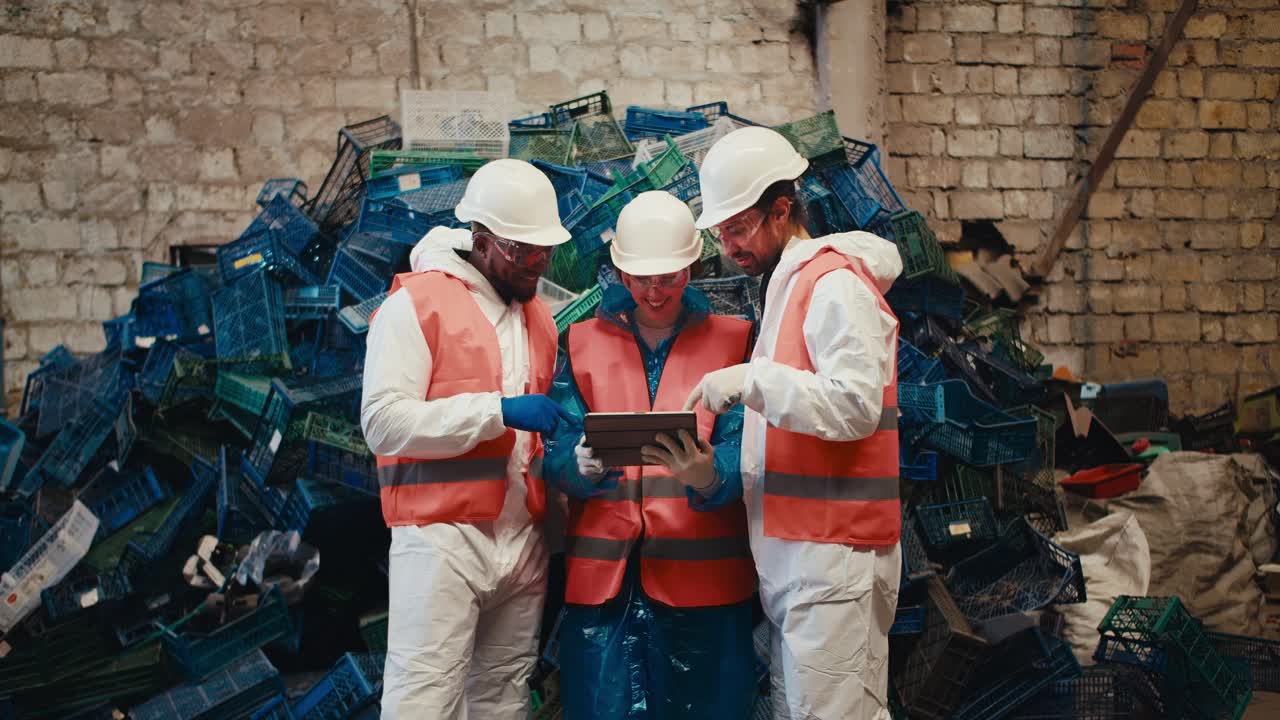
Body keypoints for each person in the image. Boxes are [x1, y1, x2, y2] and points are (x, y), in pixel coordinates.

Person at [685, 126, 905, 720]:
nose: (729, 245)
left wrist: (750, 382)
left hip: (835, 555)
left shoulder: (832, 285)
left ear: (781, 211)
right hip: (802, 556)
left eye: (738, 227)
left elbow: (856, 405)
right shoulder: (784, 289)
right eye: (721, 231)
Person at [361, 158, 574, 719]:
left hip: (520, 539)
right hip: (441, 538)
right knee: (423, 701)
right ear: (481, 239)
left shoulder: (541, 320)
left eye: (543, 251)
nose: (536, 264)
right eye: (522, 251)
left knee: (503, 697)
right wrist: (496, 411)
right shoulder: (415, 303)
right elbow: (382, 421)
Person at [542, 191, 759, 720]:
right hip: (604, 586)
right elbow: (551, 448)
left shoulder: (737, 342)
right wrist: (578, 465)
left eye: (669, 278)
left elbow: (750, 445)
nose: (655, 292)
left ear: (693, 267)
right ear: (618, 272)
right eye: (641, 279)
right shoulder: (580, 341)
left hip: (706, 587)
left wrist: (713, 474)